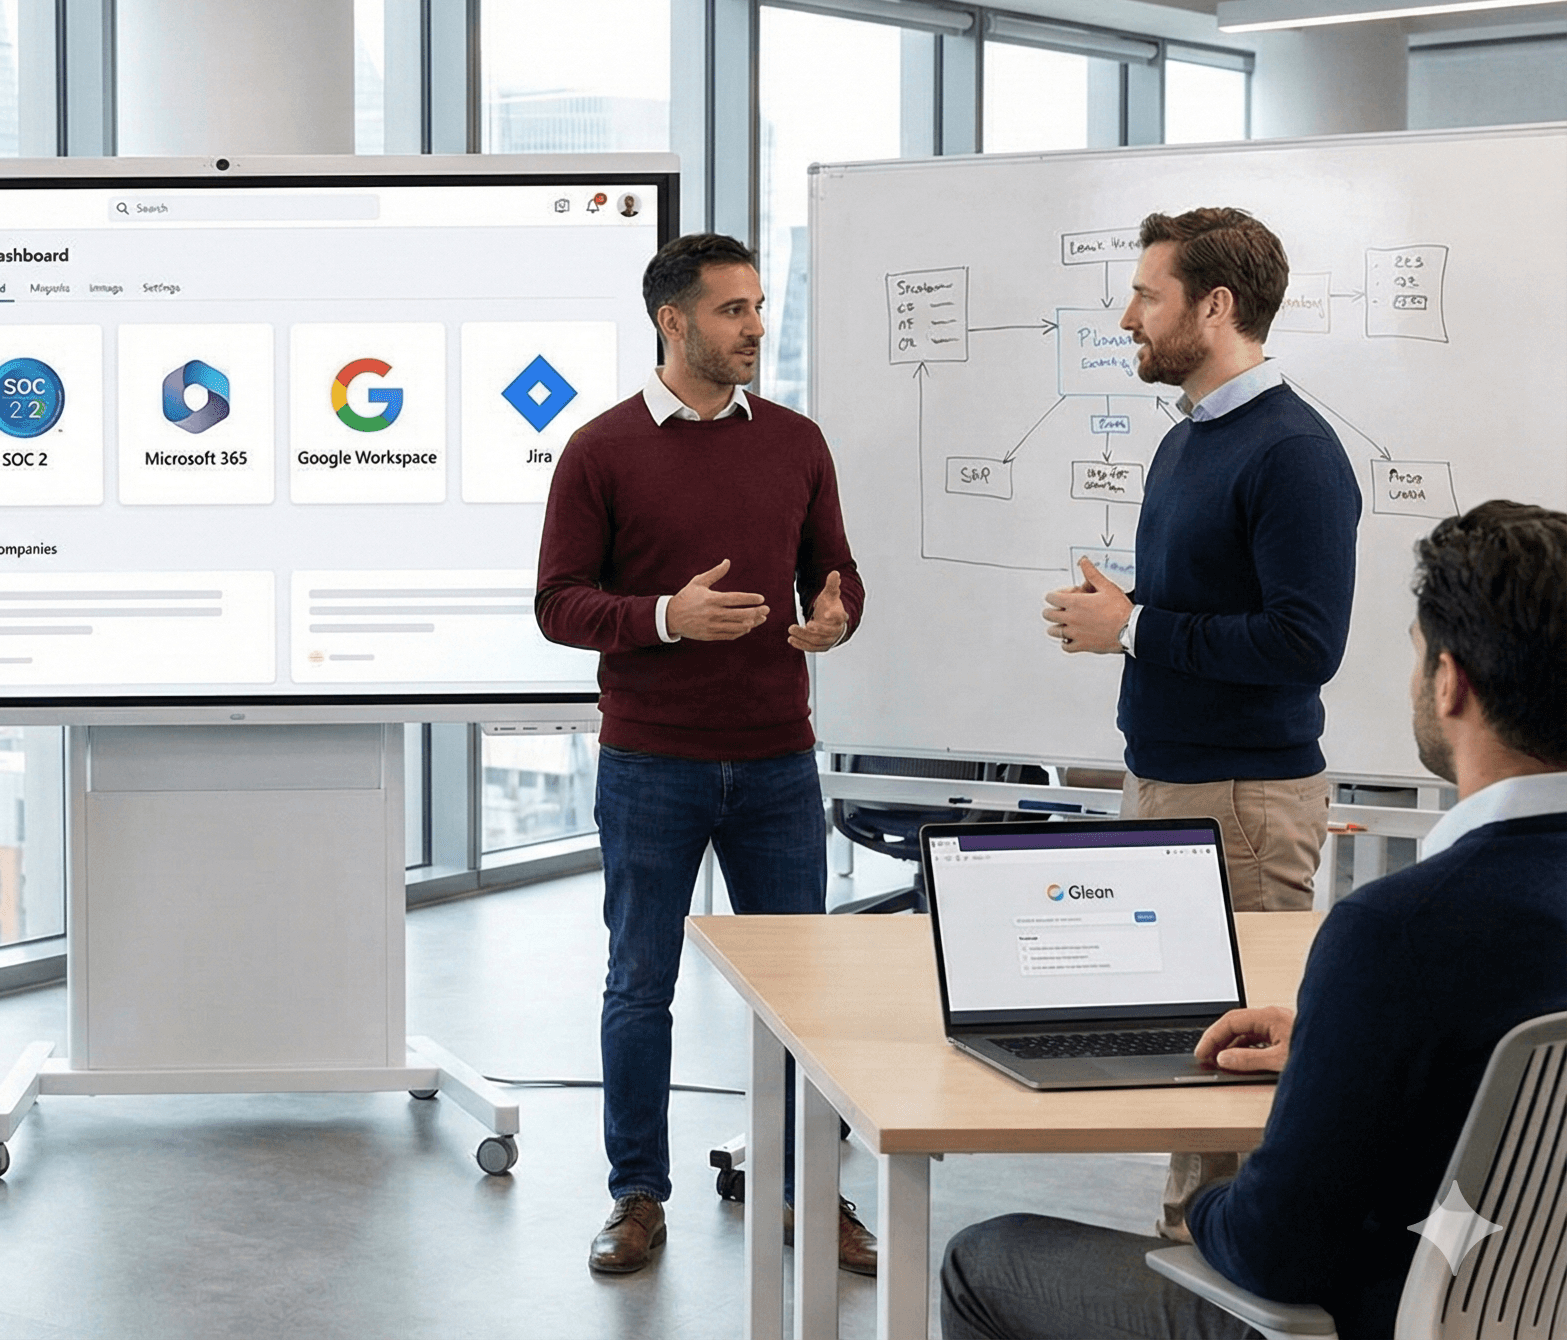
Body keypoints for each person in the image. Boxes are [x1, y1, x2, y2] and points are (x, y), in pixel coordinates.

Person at [947, 500, 1567, 1340]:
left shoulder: (1400, 930)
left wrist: (1209, 1204)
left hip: (1369, 1319)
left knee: (986, 1258)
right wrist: (1328, 1035)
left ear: (1450, 684)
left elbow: (1276, 1250)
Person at [535, 232, 873, 1278]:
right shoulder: (597, 449)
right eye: (732, 310)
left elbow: (838, 575)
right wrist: (664, 618)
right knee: (640, 986)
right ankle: (636, 1196)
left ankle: (801, 1192)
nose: (755, 328)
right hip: (651, 763)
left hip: (776, 761)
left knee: (797, 995)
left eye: (758, 306)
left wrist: (834, 617)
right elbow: (557, 605)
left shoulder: (796, 441)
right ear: (670, 321)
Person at [1042, 206, 1362, 1233]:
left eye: (1147, 293)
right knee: (1196, 1057)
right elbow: (1208, 608)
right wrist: (1125, 622)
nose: (1125, 312)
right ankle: (1191, 1258)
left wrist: (1131, 628)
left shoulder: (1292, 453)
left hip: (1242, 802)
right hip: (1175, 784)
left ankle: (1214, 1280)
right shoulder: (1190, 441)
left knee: (1235, 1071)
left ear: (1213, 307)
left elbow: (1301, 644)